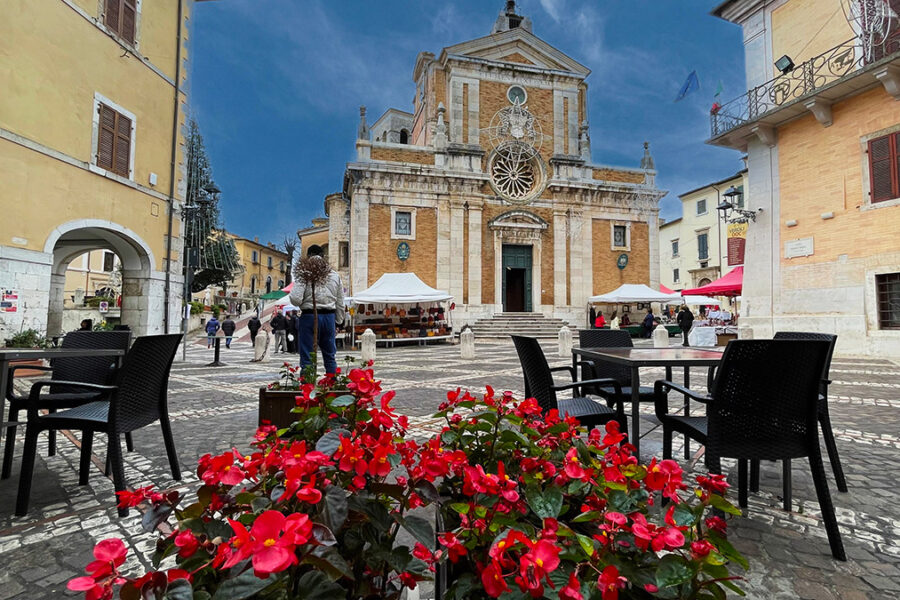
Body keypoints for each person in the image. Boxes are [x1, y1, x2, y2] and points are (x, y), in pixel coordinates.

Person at [290, 248, 345, 375]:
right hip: (329, 317)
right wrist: (338, 321)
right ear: (322, 256)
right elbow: (340, 302)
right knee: (330, 355)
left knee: (307, 356)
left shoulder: (305, 273)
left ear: (308, 256)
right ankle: (332, 384)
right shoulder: (334, 275)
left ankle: (307, 388)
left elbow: (295, 299)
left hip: (309, 316)